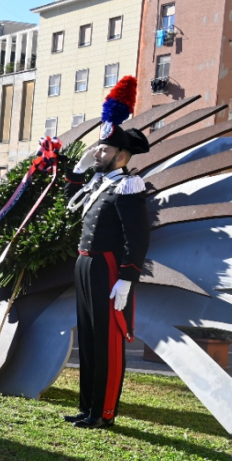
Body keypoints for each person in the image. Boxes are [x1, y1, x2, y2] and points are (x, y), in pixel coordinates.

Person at [63, 76, 150, 429]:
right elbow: (69, 206)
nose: (97, 152)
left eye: (103, 149)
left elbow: (137, 238)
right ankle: (88, 407)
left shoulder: (128, 187)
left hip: (110, 269)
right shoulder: (99, 185)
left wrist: (127, 278)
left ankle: (105, 412)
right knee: (88, 336)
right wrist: (79, 170)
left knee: (108, 340)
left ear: (122, 155)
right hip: (86, 264)